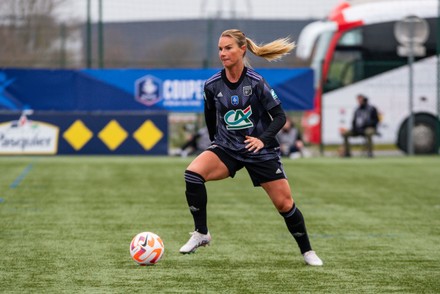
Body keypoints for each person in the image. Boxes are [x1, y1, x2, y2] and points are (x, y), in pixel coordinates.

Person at [179, 29, 323, 266]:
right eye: (220, 49)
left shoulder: (256, 82)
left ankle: (307, 251)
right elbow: (209, 117)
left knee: (285, 204)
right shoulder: (212, 85)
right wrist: (216, 143)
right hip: (227, 148)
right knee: (193, 174)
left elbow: (279, 116)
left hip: (260, 151)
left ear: (242, 49)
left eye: (228, 48)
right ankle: (201, 233)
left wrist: (262, 140)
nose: (222, 53)